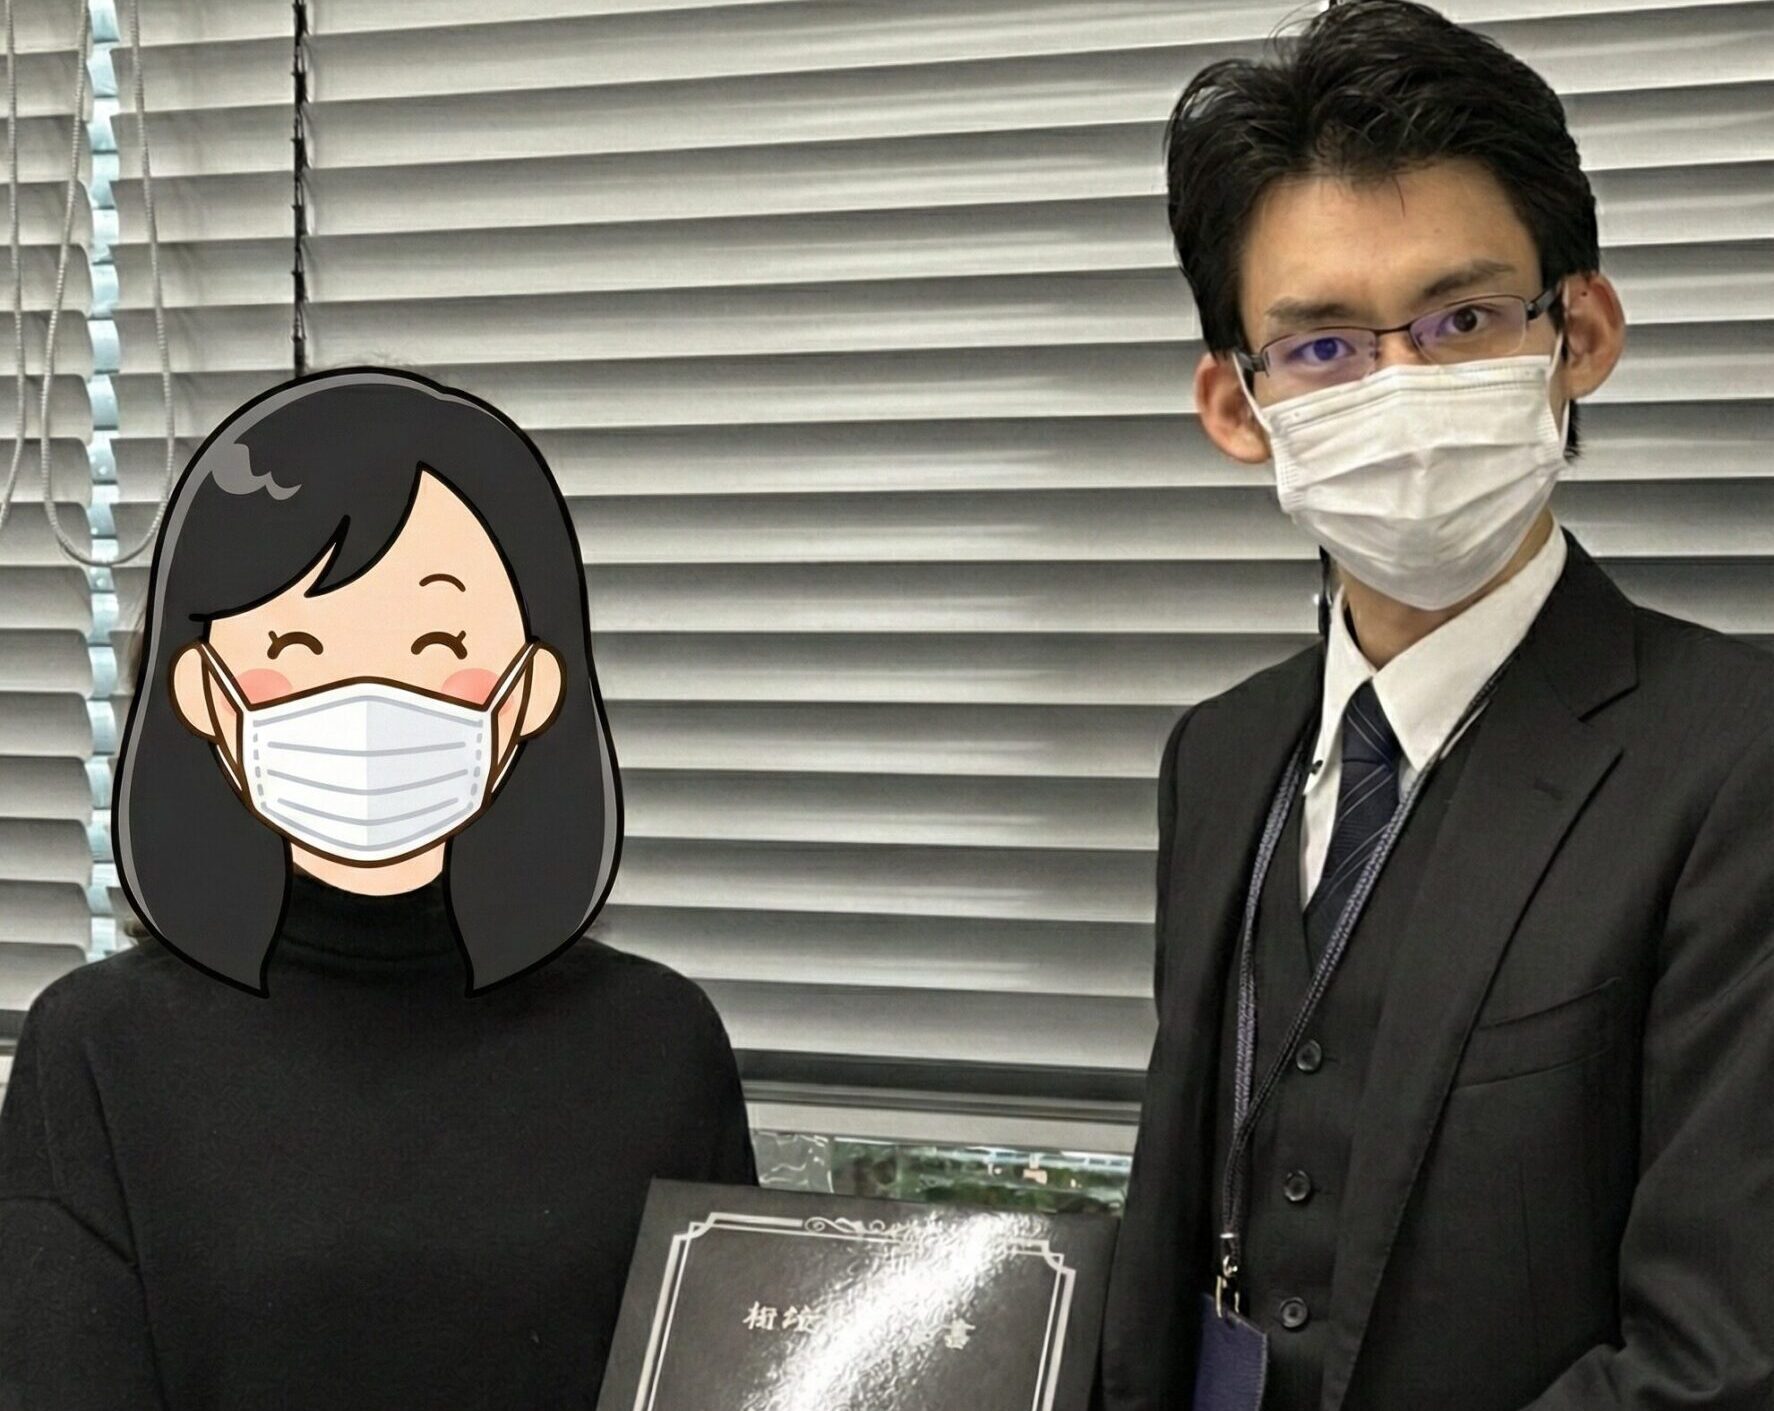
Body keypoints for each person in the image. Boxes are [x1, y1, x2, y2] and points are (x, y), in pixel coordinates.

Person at [1099, 4, 1774, 1410]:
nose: (1399, 387)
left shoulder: (1734, 758)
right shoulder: (1215, 754)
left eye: (1461, 320)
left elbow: (1722, 1353)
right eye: (1323, 347)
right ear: (1236, 406)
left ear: (1577, 333)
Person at [0, 369, 757, 1409]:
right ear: (204, 694)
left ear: (531, 687)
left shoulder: (658, 1040)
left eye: (436, 646)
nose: (367, 697)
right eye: (297, 649)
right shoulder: (98, 1047)